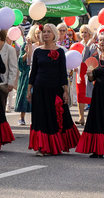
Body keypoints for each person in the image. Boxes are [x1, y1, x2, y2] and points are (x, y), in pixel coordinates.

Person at [28, 24, 81, 156]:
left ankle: (55, 145)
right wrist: (29, 90)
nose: (45, 34)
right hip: (40, 88)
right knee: (40, 117)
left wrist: (65, 90)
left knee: (55, 117)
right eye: (44, 32)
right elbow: (33, 72)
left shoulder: (60, 51)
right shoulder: (37, 51)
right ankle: (41, 146)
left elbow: (63, 73)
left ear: (54, 35)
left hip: (55, 89)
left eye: (48, 32)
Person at [15, 25, 40, 125]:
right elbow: (20, 62)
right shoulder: (26, 44)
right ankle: (22, 117)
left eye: (40, 33)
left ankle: (35, 118)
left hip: (38, 74)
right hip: (26, 73)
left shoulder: (44, 45)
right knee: (25, 95)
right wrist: (26, 53)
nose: (39, 35)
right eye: (37, 33)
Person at [0, 27, 18, 110]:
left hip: (3, 83)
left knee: (1, 106)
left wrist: (11, 82)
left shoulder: (10, 49)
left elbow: (13, 67)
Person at [75, 25, 97, 125]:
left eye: (86, 32)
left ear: (90, 33)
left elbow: (85, 58)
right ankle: (81, 117)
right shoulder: (77, 44)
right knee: (80, 94)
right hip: (79, 71)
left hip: (89, 71)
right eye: (82, 32)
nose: (83, 34)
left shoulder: (93, 45)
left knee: (90, 94)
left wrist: (88, 45)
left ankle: (91, 118)